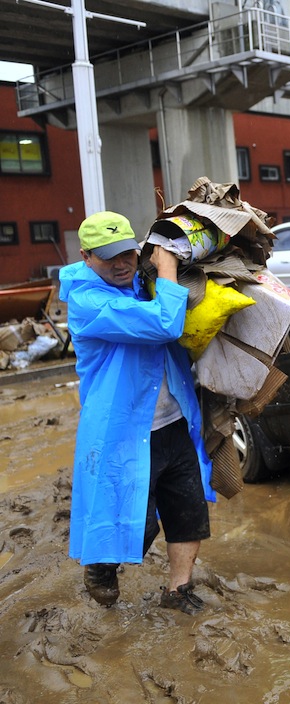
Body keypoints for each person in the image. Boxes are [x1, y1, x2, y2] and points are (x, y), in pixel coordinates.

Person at [59, 211, 216, 614]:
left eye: (127, 253)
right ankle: (101, 565)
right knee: (137, 522)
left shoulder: (140, 284)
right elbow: (165, 323)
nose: (121, 263)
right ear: (86, 256)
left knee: (187, 510)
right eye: (108, 257)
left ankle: (177, 591)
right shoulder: (88, 301)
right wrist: (167, 265)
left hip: (173, 420)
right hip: (124, 432)